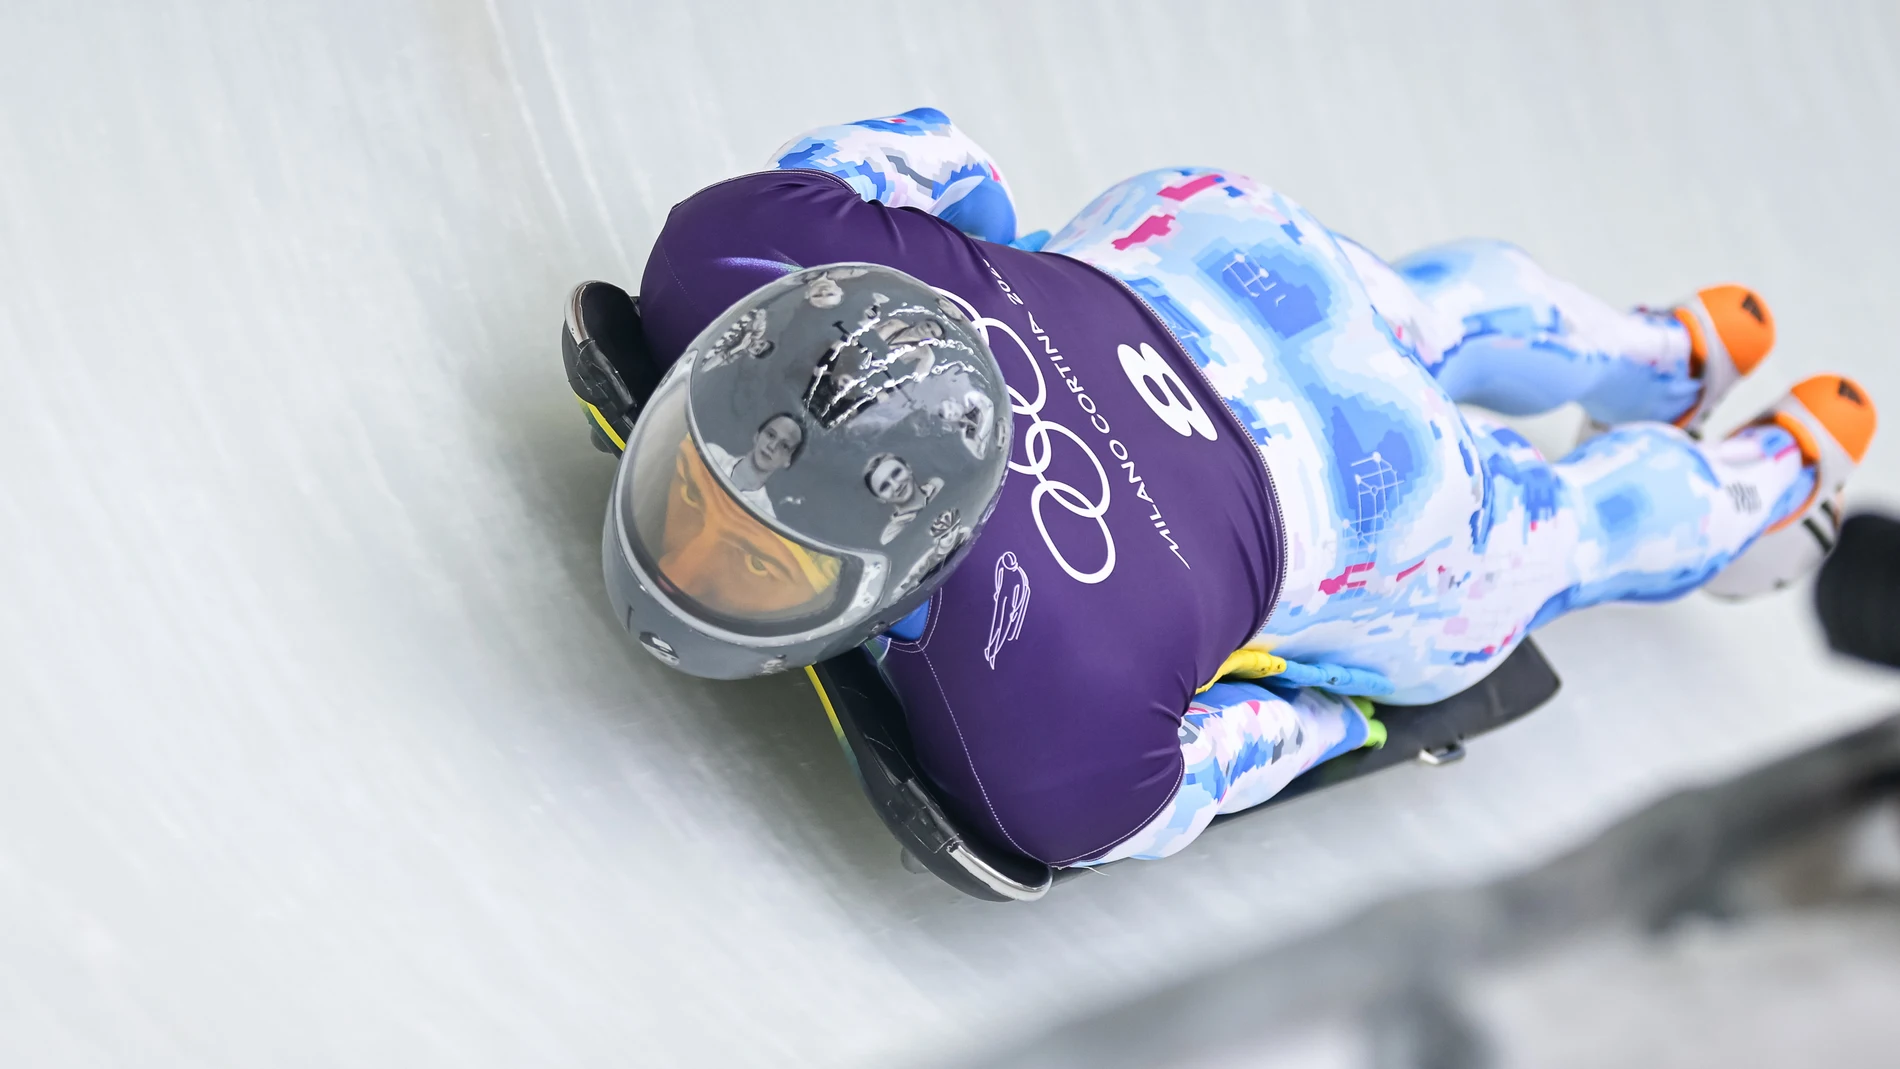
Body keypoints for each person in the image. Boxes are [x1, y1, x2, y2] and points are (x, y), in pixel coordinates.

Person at [571, 107, 1877, 868]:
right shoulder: (737, 248)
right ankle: (1673, 346)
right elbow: (941, 153)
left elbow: (1221, 765)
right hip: (1214, 248)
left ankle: (1776, 476)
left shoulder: (1049, 744)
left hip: (1380, 499)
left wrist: (1343, 720)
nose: (691, 548)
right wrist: (1012, 256)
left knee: (1572, 532)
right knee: (1420, 307)